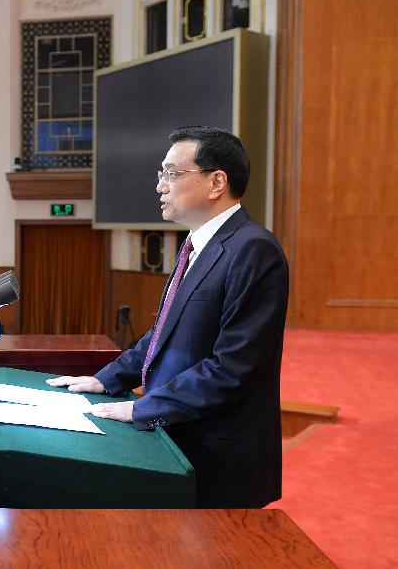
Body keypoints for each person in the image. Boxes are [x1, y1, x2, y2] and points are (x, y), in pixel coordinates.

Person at [47, 126, 288, 509]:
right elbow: (162, 335)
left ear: (216, 182)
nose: (160, 186)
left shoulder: (253, 250)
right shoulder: (196, 244)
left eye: (171, 174)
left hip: (218, 458)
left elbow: (233, 367)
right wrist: (104, 379)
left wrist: (142, 407)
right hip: (178, 440)